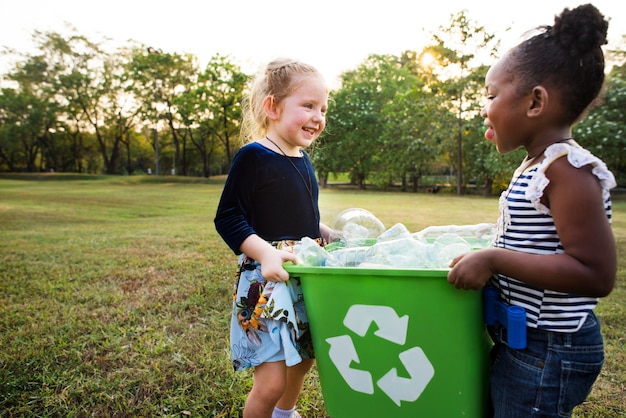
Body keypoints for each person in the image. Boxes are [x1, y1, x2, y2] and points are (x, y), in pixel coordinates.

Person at [446, 4, 616, 417]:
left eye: (490, 96)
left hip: (550, 350)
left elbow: (596, 273)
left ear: (535, 101)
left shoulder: (568, 170)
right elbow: (534, 237)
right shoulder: (538, 165)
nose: (484, 109)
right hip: (523, 341)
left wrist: (493, 258)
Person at [214, 58, 334, 418]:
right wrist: (265, 253)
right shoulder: (254, 157)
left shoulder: (302, 159)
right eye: (308, 106)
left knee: (303, 359)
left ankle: (285, 414)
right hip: (264, 283)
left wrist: (323, 232)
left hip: (300, 277)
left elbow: (299, 214)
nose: (318, 116)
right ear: (272, 106)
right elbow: (228, 218)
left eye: (323, 109)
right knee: (270, 381)